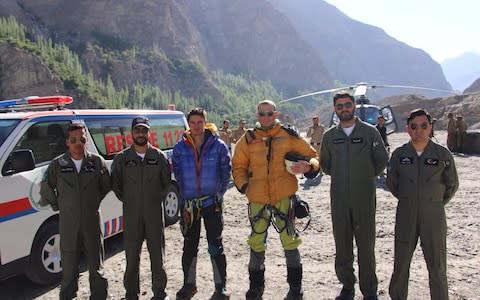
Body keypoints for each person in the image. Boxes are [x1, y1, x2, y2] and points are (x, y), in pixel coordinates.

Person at [232, 100, 320, 300]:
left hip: (284, 197)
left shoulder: (289, 136)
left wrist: (308, 167)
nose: (265, 117)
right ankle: (256, 288)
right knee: (256, 243)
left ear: (276, 113)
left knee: (290, 241)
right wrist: (244, 186)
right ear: (257, 116)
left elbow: (313, 157)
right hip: (258, 199)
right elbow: (238, 166)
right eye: (262, 114)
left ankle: (295, 289)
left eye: (269, 113)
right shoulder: (248, 139)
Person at [320, 92, 389, 300]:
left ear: (354, 107)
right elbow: (326, 165)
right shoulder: (330, 136)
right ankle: (347, 286)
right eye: (339, 106)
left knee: (366, 245)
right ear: (335, 109)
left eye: (347, 105)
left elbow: (381, 161)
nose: (344, 109)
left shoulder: (370, 133)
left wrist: (362, 177)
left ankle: (369, 290)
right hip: (339, 198)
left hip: (364, 198)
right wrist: (343, 178)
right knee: (342, 244)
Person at [387, 109, 459, 300]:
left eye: (423, 126)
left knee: (437, 266)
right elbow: (393, 184)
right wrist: (410, 199)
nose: (419, 130)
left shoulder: (442, 155)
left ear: (430, 127)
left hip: (433, 216)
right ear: (408, 129)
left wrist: (433, 202)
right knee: (401, 265)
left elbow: (452, 184)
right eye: (414, 126)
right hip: (406, 214)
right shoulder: (399, 154)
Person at [40, 123, 110, 300]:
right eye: (73, 140)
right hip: (68, 223)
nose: (78, 143)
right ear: (67, 142)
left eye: (82, 139)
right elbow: (46, 187)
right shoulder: (58, 164)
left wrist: (93, 202)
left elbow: (106, 185)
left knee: (96, 264)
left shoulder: (96, 162)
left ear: (86, 140)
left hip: (91, 220)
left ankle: (99, 296)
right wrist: (59, 206)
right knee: (69, 266)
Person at [172, 108, 232, 300]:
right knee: (189, 246)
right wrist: (185, 196)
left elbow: (226, 172)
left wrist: (218, 194)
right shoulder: (180, 148)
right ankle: (189, 285)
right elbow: (178, 174)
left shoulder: (219, 146)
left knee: (215, 245)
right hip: (190, 206)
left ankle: (220, 287)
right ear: (188, 124)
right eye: (193, 122)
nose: (196, 126)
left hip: (211, 203)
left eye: (200, 122)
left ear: (205, 123)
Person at [111, 116, 171, 300]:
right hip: (132, 215)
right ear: (132, 133)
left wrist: (152, 200)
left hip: (154, 214)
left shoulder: (159, 157)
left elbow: (166, 184)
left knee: (157, 257)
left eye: (144, 130)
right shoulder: (122, 159)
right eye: (137, 130)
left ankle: (160, 293)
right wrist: (133, 201)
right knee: (131, 257)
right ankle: (131, 293)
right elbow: (117, 186)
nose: (140, 133)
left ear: (148, 132)